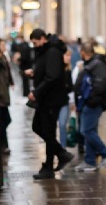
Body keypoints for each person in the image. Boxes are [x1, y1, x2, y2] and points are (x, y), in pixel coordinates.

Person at [28, 29, 76, 179]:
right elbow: (47, 71)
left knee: (46, 130)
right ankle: (58, 156)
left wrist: (36, 92)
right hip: (45, 98)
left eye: (35, 42)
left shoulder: (53, 52)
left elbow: (53, 76)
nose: (34, 46)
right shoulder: (45, 51)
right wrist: (35, 74)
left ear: (42, 39)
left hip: (51, 99)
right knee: (40, 127)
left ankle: (53, 162)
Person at [73, 42, 106, 171]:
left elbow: (100, 85)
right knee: (90, 130)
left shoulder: (97, 64)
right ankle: (90, 161)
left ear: (83, 53)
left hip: (93, 103)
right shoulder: (92, 64)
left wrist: (91, 100)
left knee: (86, 131)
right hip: (90, 102)